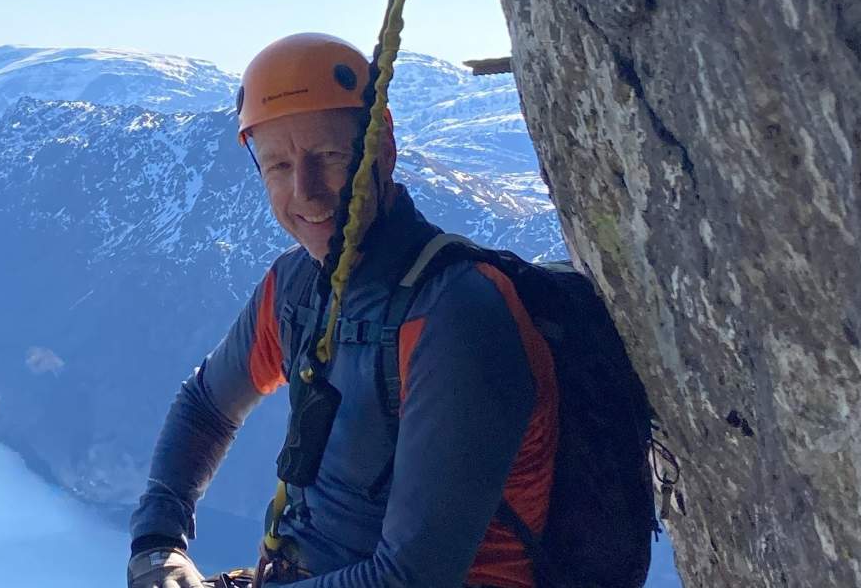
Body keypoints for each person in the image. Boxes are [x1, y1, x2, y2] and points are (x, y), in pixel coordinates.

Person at [127, 33, 559, 588]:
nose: (305, 193)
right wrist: (158, 544)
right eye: (278, 166)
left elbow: (410, 578)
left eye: (328, 157)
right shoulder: (295, 288)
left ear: (384, 151)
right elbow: (206, 405)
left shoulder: (456, 316)